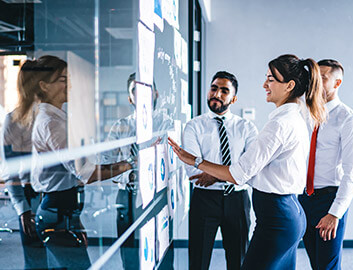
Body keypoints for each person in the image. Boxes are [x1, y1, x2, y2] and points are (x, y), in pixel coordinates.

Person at [170, 54, 327, 269]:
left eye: (271, 79)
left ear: (289, 85)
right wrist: (229, 170)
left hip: (276, 216)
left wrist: (195, 160)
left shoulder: (279, 124)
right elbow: (246, 168)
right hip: (287, 211)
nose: (265, 84)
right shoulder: (293, 118)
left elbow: (239, 173)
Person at [15, 55, 132, 269]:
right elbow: (85, 173)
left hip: (63, 212)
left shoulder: (58, 118)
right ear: (44, 85)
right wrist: (128, 166)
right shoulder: (51, 123)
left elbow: (72, 174)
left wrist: (76, 221)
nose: (69, 84)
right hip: (56, 213)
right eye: (62, 79)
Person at [182, 71, 258, 270]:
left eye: (224, 91)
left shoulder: (247, 128)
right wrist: (233, 173)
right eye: (214, 88)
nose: (216, 94)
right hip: (204, 200)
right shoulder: (193, 126)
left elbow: (250, 169)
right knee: (198, 261)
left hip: (238, 201)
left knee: (239, 261)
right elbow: (193, 172)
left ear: (233, 98)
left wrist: (211, 172)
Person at [102, 73, 172, 270]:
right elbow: (105, 162)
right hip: (128, 195)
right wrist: (128, 169)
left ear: (156, 94)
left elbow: (172, 162)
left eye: (146, 90)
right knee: (130, 252)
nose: (141, 95)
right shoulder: (120, 127)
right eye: (135, 91)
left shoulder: (166, 125)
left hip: (157, 195)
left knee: (162, 251)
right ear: (129, 98)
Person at [299, 59, 353, 270]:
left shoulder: (348, 119)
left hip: (328, 199)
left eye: (323, 78)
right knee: (314, 261)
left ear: (337, 83)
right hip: (301, 198)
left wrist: (335, 212)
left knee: (326, 265)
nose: (315, 83)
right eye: (314, 78)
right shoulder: (303, 113)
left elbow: (352, 172)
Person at [0, 60, 48, 269]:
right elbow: (11, 170)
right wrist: (23, 210)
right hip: (32, 197)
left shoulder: (54, 118)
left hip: (56, 195)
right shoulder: (14, 121)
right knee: (36, 262)